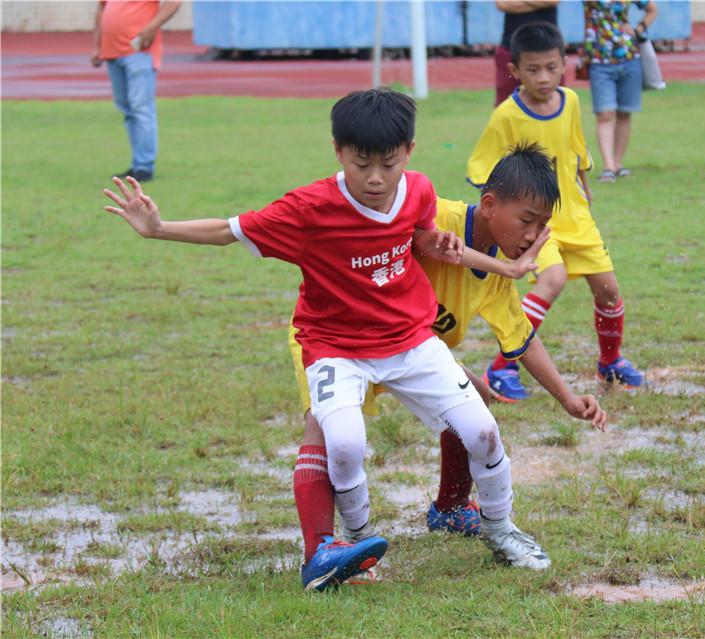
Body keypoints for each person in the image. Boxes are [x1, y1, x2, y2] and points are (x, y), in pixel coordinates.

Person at [103, 88, 552, 593]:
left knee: (484, 432)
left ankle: (501, 530)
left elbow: (419, 238)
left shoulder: (419, 190)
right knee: (343, 445)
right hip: (336, 346)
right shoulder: (308, 208)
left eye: (389, 162)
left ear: (408, 150)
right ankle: (356, 544)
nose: (376, 178)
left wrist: (466, 253)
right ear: (339, 151)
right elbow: (229, 230)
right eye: (362, 164)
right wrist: (158, 228)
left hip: (410, 340)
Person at [291, 144, 608, 558]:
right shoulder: (437, 216)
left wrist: (567, 398)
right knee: (327, 431)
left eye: (543, 225)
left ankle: (452, 506)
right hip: (339, 338)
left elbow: (521, 336)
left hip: (409, 350)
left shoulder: (496, 271)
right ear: (490, 205)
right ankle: (322, 551)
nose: (533, 236)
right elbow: (382, 229)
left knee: (473, 398)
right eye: (528, 221)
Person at [469, 22, 646, 404]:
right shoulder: (506, 116)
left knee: (609, 290)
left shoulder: (571, 102)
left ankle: (610, 363)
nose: (544, 77)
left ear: (564, 65)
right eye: (533, 69)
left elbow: (577, 152)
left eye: (551, 67)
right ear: (514, 70)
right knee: (552, 279)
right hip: (535, 222)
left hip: (576, 216)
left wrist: (584, 184)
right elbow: (484, 172)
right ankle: (502, 366)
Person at [91, 0, 181, 182]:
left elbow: (174, 2)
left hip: (139, 51)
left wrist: (151, 27)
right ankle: (137, 162)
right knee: (127, 109)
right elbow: (102, 9)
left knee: (140, 108)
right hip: (112, 52)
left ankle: (144, 166)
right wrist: (97, 45)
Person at [582, 0, 658, 184]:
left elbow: (652, 10)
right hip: (599, 59)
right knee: (604, 113)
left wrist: (639, 28)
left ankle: (617, 163)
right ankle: (608, 166)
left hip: (629, 57)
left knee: (624, 112)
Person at [494, 0, 560, 106]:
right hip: (511, 47)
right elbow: (503, 4)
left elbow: (553, 1)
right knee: (505, 104)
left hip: (548, 50)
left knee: (554, 105)